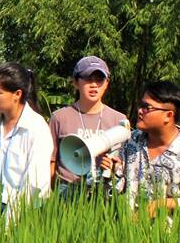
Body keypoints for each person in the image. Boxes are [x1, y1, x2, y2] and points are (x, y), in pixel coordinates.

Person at [102, 81, 180, 218]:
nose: (140, 111)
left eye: (147, 107)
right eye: (141, 105)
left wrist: (163, 205)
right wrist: (114, 171)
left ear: (168, 115)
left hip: (169, 238)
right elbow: (116, 191)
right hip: (127, 234)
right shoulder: (131, 142)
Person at [0, 62, 54, 217]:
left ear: (17, 94)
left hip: (23, 210)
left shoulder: (36, 127)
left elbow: (35, 182)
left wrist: (10, 219)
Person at [49, 56, 129, 195]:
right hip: (65, 193)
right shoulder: (59, 117)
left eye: (99, 80)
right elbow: (51, 161)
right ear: (75, 82)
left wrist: (113, 167)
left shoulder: (119, 120)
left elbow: (125, 164)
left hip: (102, 195)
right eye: (87, 78)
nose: (94, 85)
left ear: (106, 83)